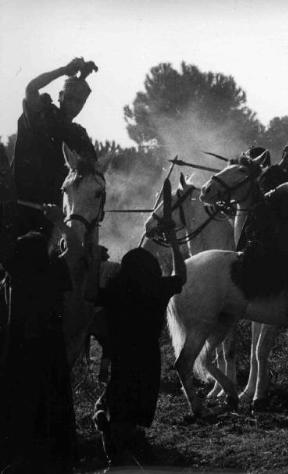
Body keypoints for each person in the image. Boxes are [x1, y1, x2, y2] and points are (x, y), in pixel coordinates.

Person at [92, 213, 186, 466]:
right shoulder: (158, 289)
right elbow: (181, 276)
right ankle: (126, 453)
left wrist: (93, 256)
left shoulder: (115, 290)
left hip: (121, 358)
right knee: (133, 413)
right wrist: (175, 244)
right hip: (148, 360)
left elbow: (90, 291)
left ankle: (117, 448)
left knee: (117, 405)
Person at [0, 206, 76, 473]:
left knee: (20, 402)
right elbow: (75, 250)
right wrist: (60, 223)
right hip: (52, 346)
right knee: (53, 403)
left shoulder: (17, 270)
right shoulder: (53, 268)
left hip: (20, 345)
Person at [14, 57, 98, 236]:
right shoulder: (43, 113)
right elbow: (31, 88)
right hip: (20, 209)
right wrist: (63, 71)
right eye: (70, 98)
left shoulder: (80, 136)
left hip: (56, 218)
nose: (74, 105)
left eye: (79, 102)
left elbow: (91, 179)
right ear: (60, 96)